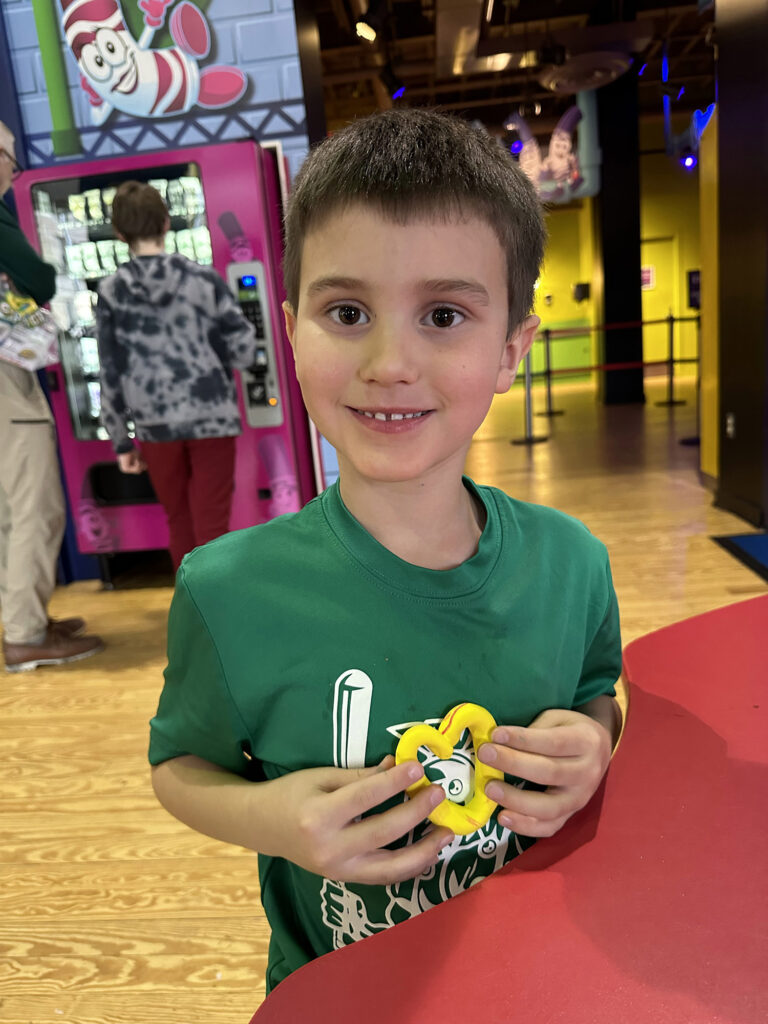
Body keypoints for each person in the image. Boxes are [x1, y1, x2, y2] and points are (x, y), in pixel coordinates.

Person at [148, 109, 623, 992]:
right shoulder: (227, 591)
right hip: (342, 988)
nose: (390, 361)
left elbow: (599, 697)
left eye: (444, 314)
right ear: (291, 332)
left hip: (542, 972)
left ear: (512, 349)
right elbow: (179, 769)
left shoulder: (573, 563)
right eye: (348, 311)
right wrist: (272, 818)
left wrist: (594, 744)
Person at [96, 181, 258, 569]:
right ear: (167, 223)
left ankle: (191, 614)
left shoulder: (111, 290)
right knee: (213, 525)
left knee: (179, 521)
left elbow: (110, 370)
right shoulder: (204, 280)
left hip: (155, 425)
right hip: (212, 419)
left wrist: (121, 442)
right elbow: (244, 349)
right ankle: (221, 615)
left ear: (119, 234)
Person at [0, 120, 103, 672]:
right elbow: (37, 278)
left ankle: (23, 617)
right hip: (8, 386)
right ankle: (25, 634)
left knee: (7, 512)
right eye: (11, 165)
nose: (13, 176)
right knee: (36, 505)